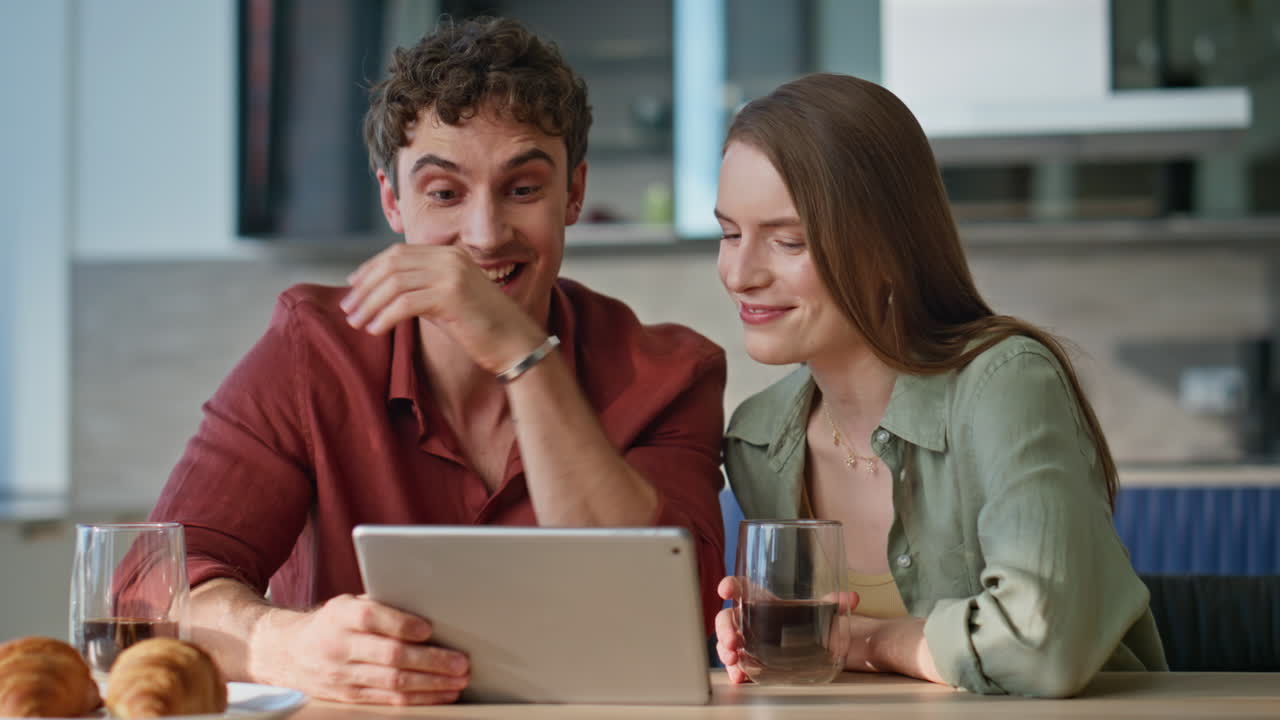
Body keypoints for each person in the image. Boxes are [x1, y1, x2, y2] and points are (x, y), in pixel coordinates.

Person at [148, 17, 727, 706]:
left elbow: (671, 618)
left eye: (523, 189)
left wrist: (520, 353)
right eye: (445, 193)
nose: (484, 236)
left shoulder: (669, 373)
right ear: (394, 201)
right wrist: (286, 645)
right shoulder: (315, 349)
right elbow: (152, 589)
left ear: (573, 193)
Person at [711, 73, 1168, 698]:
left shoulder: (1005, 386)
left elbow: (1041, 649)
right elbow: (818, 670)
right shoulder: (758, 440)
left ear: (888, 247)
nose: (738, 273)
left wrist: (866, 641)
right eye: (729, 233)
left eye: (788, 240)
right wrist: (771, 644)